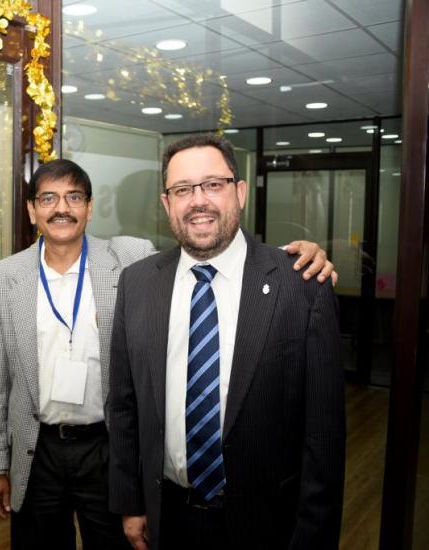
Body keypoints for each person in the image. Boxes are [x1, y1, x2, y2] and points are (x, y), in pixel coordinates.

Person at [0, 158, 335, 549]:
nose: (61, 208)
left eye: (74, 197)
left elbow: (206, 244)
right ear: (32, 210)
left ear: (90, 207)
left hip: (108, 447)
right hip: (38, 447)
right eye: (48, 198)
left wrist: (293, 256)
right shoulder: (2, 278)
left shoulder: (131, 258)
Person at [108, 134, 346, 550]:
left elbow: (323, 434)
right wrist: (132, 503)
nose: (197, 201)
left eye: (213, 184)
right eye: (182, 189)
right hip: (169, 516)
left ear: (239, 193)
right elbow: (125, 406)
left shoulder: (302, 284)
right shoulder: (138, 283)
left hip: (267, 523)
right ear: (167, 204)